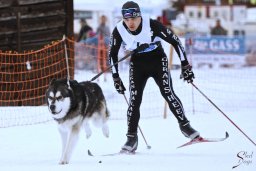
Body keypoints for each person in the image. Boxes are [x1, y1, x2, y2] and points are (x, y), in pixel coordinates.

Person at [108, 1, 200, 153]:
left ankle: (186, 127)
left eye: (134, 19)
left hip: (157, 60)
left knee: (167, 92)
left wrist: (185, 65)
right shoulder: (119, 29)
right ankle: (131, 138)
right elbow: (112, 54)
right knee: (134, 100)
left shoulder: (152, 25)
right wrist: (116, 77)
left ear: (140, 16)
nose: (131, 23)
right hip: (138, 63)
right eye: (127, 19)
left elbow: (175, 41)